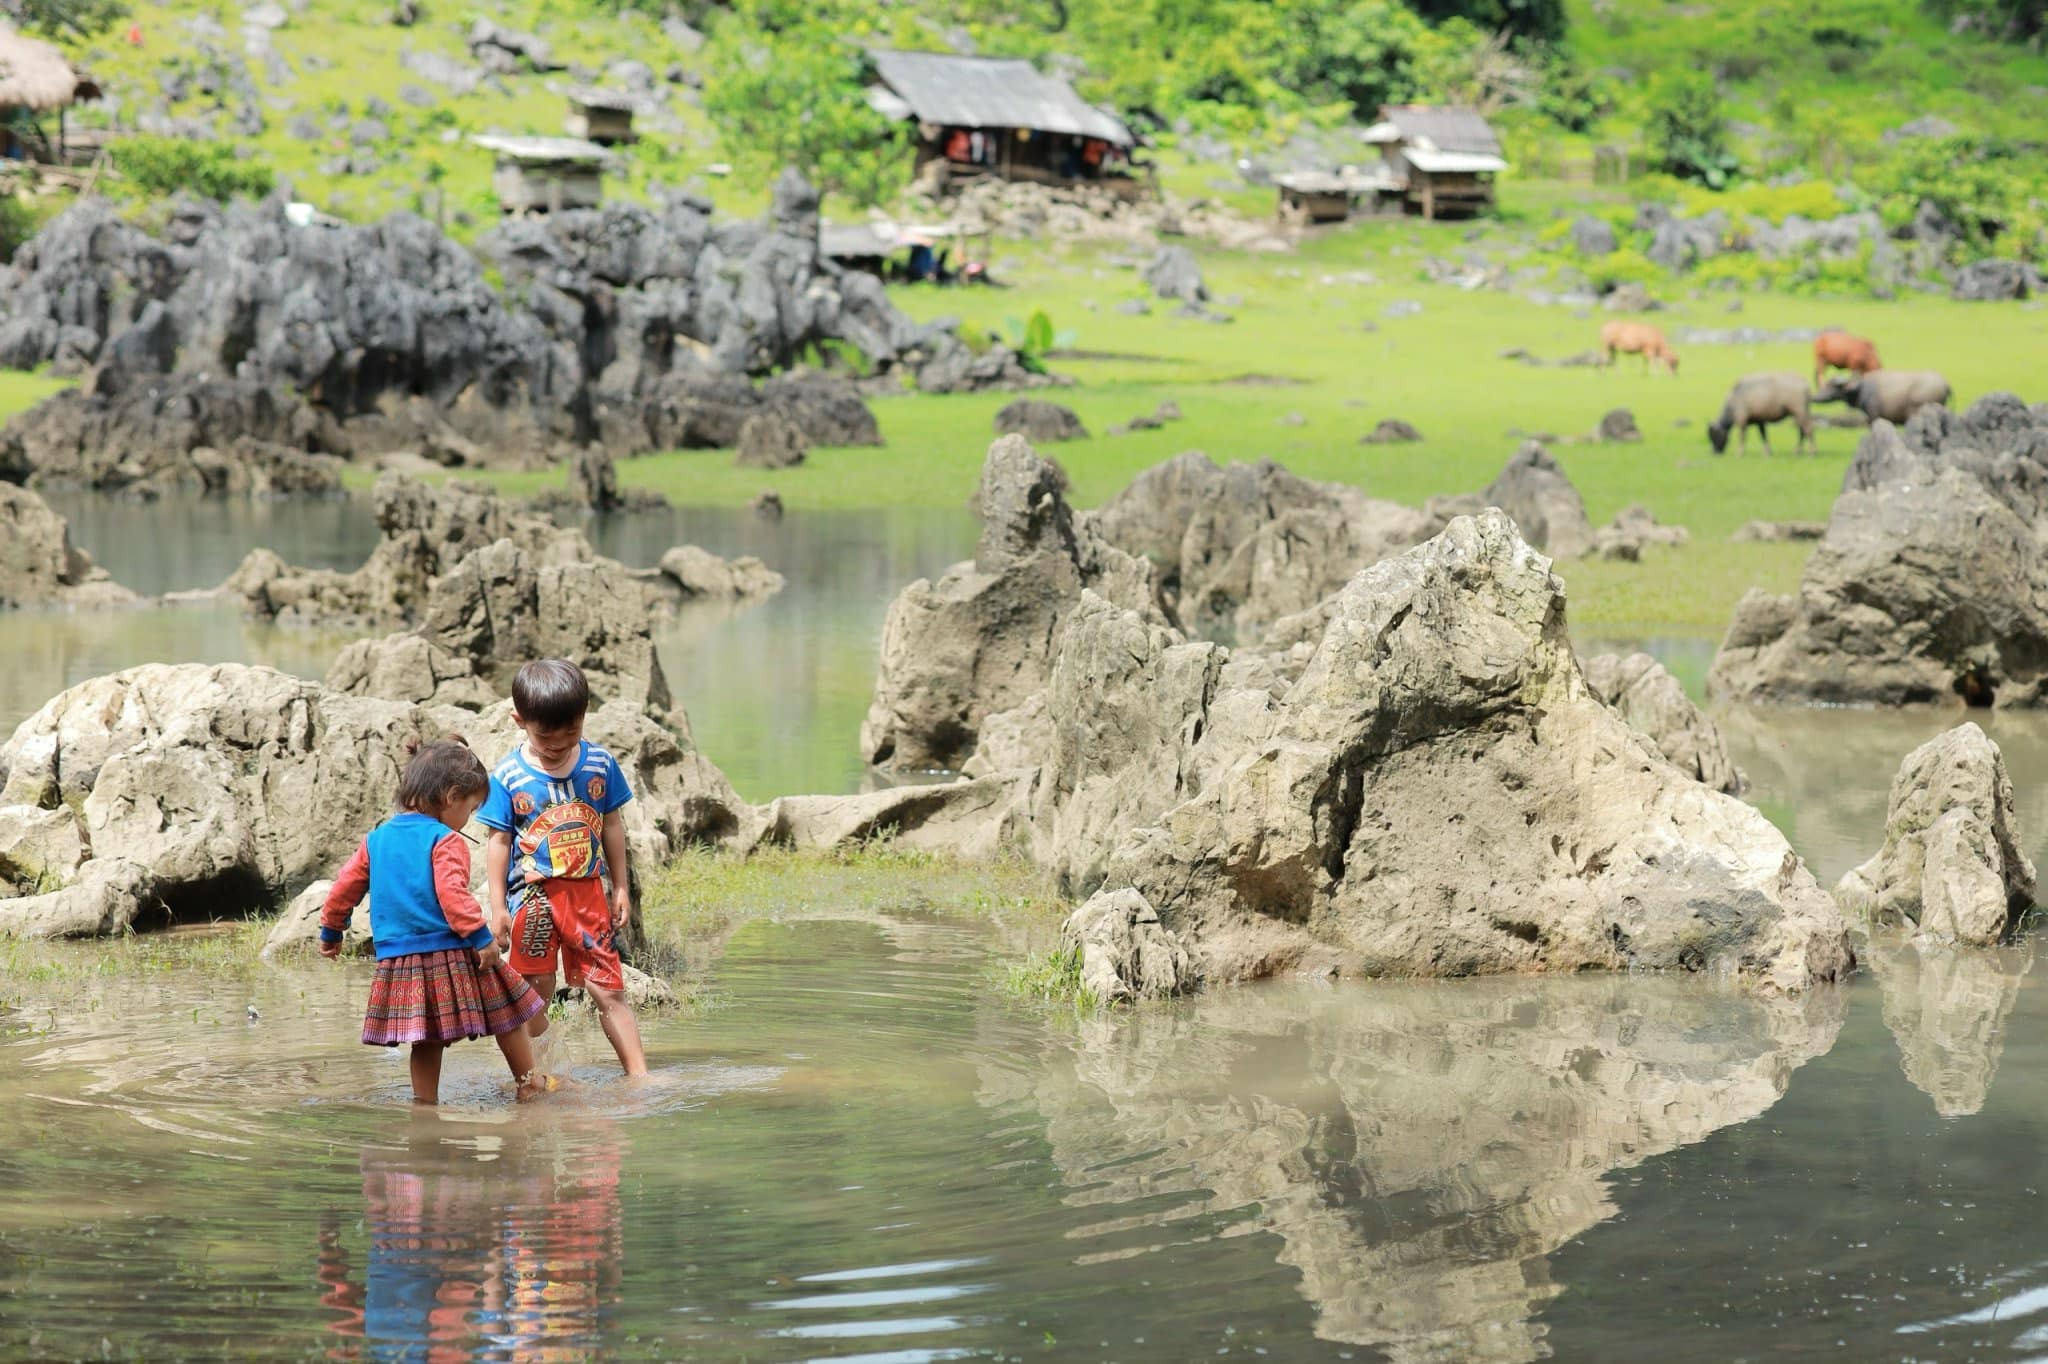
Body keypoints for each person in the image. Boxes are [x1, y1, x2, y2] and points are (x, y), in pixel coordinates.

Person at [321, 737, 551, 1105]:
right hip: (454, 950)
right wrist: (481, 937)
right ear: (451, 796)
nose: (469, 818)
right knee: (509, 1012)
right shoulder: (445, 840)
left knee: (426, 1039)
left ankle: (424, 1105)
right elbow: (452, 895)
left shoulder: (375, 839)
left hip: (400, 961)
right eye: (471, 808)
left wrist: (332, 931)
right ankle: (528, 1082)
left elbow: (342, 889)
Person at [480, 659, 648, 1078]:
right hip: (530, 899)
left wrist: (620, 887)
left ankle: (640, 1076)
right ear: (519, 721)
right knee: (533, 990)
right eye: (545, 737)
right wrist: (498, 907)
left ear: (585, 714)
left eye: (570, 733)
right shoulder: (507, 777)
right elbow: (498, 842)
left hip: (587, 895)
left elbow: (612, 825)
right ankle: (542, 1074)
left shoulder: (600, 765)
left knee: (609, 987)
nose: (557, 746)